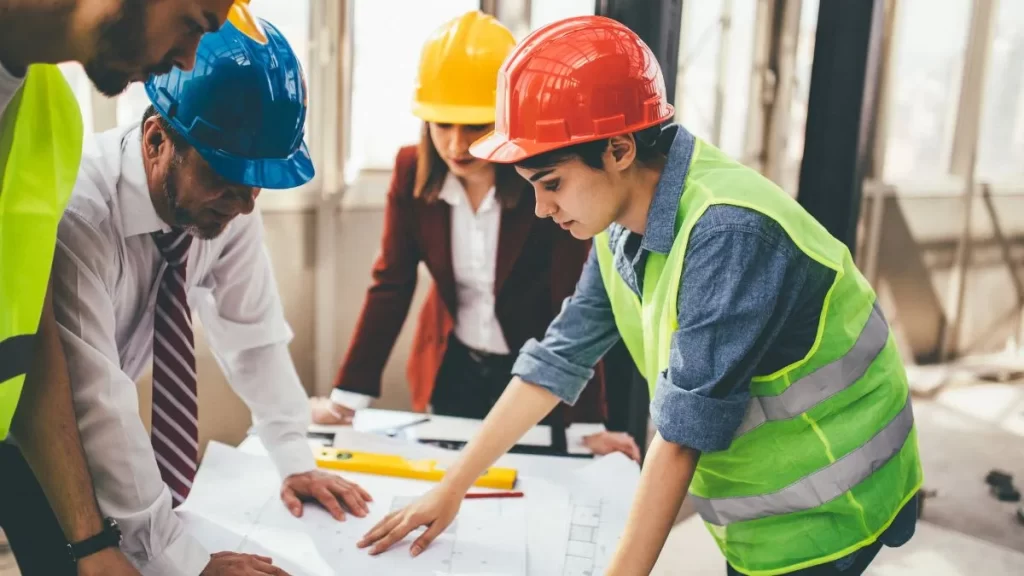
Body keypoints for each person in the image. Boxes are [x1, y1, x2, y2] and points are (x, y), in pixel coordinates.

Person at [356, 15, 924, 576]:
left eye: (551, 184)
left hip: (832, 508)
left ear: (619, 149)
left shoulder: (727, 234)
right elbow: (558, 359)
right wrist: (452, 487)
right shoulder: (618, 224)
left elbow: (681, 437)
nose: (542, 210)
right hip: (765, 511)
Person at [41, 18, 372, 576]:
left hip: (102, 422)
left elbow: (253, 336)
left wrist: (294, 456)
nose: (244, 204)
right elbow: (96, 401)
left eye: (257, 181)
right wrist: (185, 561)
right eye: (227, 175)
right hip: (41, 439)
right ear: (156, 140)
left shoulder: (224, 208)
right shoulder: (81, 216)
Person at [0, 1, 260, 575]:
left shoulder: (47, 116)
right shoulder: (85, 203)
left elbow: (35, 347)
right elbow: (96, 397)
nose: (188, 60)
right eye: (195, 22)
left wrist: (94, 544)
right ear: (156, 140)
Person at [308, 11, 640, 460]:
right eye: (443, 125)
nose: (456, 145)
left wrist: (587, 425)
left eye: (474, 126)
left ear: (505, 120)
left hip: (533, 371)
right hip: (452, 364)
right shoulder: (409, 171)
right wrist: (347, 400)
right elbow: (391, 285)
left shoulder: (545, 180)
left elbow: (575, 299)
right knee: (453, 476)